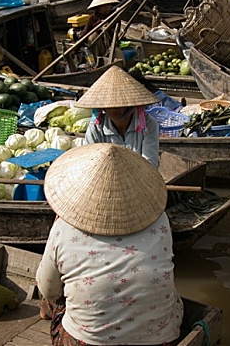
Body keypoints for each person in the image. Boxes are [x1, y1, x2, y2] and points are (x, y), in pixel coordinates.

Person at [36, 143, 184, 346]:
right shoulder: (161, 221)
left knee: (52, 293)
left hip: (88, 342)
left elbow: (49, 291)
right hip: (162, 340)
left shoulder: (63, 229)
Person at [74, 66, 161, 168]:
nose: (113, 108)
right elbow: (90, 164)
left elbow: (150, 166)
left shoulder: (148, 125)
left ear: (131, 104)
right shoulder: (96, 128)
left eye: (119, 103)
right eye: (109, 104)